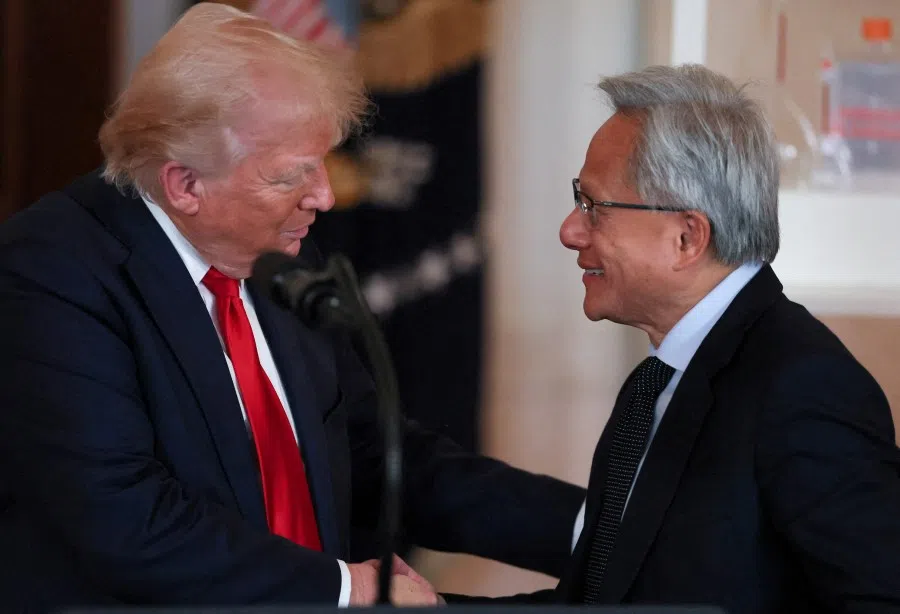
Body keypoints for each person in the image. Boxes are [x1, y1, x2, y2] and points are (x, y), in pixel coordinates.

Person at [0, 4, 585, 612]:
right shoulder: (51, 274)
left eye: (324, 164)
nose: (325, 197)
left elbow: (373, 456)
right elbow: (126, 521)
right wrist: (348, 589)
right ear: (185, 184)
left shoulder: (279, 255)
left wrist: (597, 529)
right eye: (290, 176)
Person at [464, 64, 900, 613]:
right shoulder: (657, 380)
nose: (570, 231)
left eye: (594, 207)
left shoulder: (804, 389)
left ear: (687, 238)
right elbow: (600, 601)